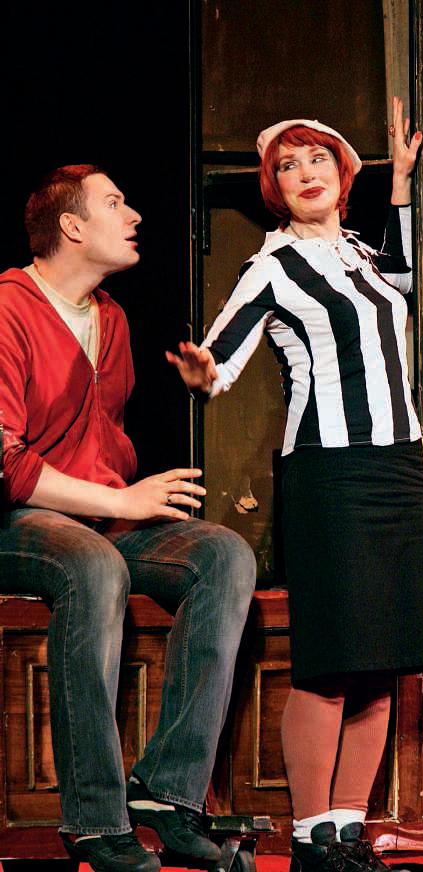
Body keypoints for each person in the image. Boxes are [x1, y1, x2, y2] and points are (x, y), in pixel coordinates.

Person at [167, 97, 423, 872]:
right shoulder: (272, 266)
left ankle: (347, 832)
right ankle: (308, 837)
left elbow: (399, 279)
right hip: (331, 473)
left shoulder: (357, 252)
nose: (304, 173)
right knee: (330, 662)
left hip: (395, 467)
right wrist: (201, 372)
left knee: (380, 663)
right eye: (287, 166)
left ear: (342, 171)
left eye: (317, 157)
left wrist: (400, 187)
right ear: (274, 188)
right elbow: (220, 355)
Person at [0, 165, 256, 872]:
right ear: (72, 226)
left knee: (223, 555)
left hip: (95, 519)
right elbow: (7, 463)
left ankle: (167, 795)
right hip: (18, 521)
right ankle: (93, 820)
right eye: (114, 203)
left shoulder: (110, 318)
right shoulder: (9, 307)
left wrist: (123, 497)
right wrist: (121, 501)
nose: (134, 214)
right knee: (91, 564)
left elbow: (97, 440)